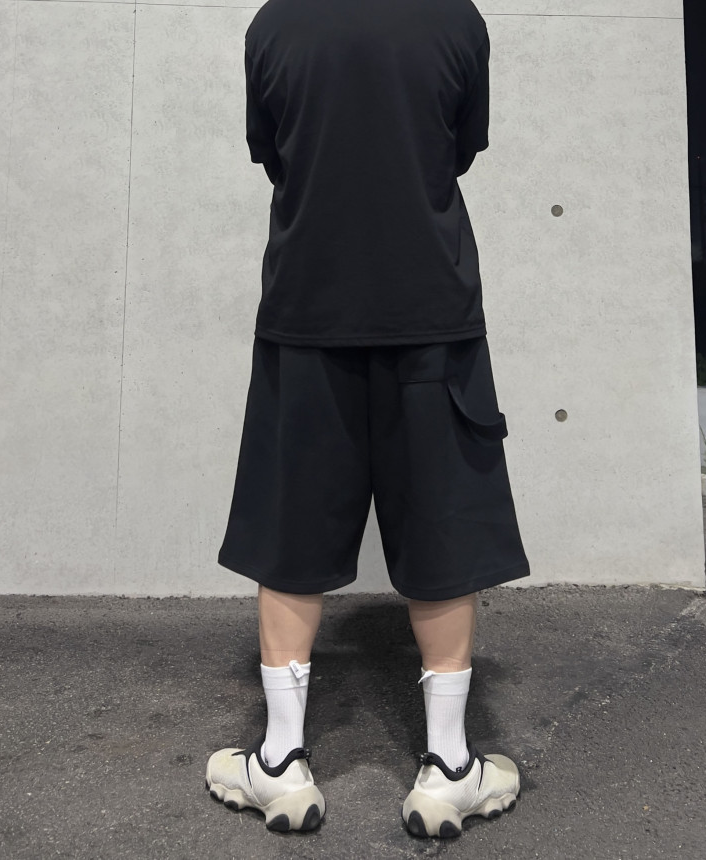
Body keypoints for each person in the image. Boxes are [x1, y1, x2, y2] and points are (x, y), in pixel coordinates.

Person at [205, 0, 531, 838]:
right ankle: (448, 768)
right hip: (431, 309)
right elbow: (458, 150)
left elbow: (274, 155)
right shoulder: (456, 20)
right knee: (441, 525)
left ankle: (281, 761)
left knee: (292, 528)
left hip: (307, 309)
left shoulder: (273, 25)